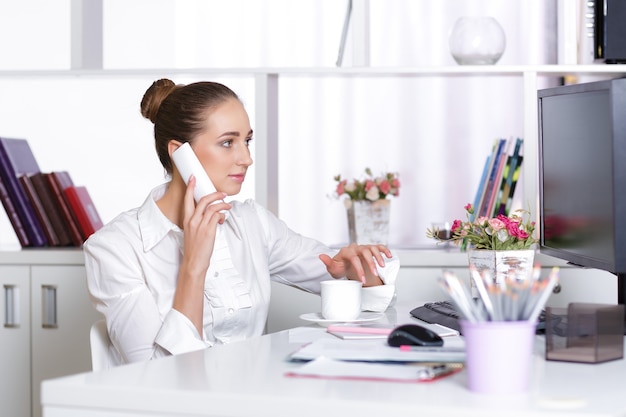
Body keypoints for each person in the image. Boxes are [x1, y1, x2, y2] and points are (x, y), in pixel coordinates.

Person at [84, 79, 398, 365]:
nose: (246, 158)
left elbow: (368, 302)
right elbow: (156, 376)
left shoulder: (251, 223)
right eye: (227, 142)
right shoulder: (114, 249)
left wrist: (358, 270)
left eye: (247, 141)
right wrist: (194, 265)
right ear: (181, 153)